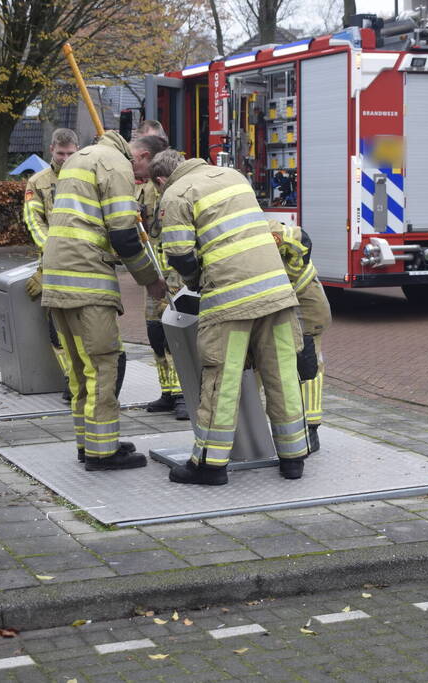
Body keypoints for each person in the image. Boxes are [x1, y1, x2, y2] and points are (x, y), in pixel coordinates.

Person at [152, 149, 310, 486]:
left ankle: (210, 464)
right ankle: (293, 458)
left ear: (162, 180)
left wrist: (196, 283)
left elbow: (179, 256)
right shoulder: (233, 175)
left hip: (229, 300)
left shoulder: (176, 194)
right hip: (276, 292)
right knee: (282, 373)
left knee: (221, 379)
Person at [41, 131, 168, 471]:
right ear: (136, 154)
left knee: (81, 370)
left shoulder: (79, 160)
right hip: (88, 281)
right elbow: (124, 235)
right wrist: (151, 281)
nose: (142, 178)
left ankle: (92, 442)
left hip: (57, 277)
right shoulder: (115, 166)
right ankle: (102, 454)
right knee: (103, 365)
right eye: (143, 170)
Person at [132, 123, 188, 421]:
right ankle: (167, 390)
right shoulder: (141, 188)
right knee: (156, 333)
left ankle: (182, 393)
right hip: (155, 277)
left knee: (174, 335)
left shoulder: (168, 187)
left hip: (176, 279)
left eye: (136, 158)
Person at [22, 128, 80, 400]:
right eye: (61, 153)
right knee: (58, 329)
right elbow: (34, 221)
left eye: (71, 153)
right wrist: (54, 250)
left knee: (87, 326)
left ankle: (86, 378)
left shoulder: (88, 178)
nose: (66, 158)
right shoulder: (38, 182)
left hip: (85, 264)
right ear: (51, 150)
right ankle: (72, 378)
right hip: (54, 264)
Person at [268, 220, 332, 453]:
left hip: (304, 298)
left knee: (307, 362)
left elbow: (301, 239)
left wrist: (291, 276)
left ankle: (310, 429)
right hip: (271, 300)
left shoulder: (264, 227)